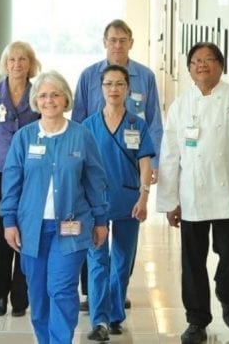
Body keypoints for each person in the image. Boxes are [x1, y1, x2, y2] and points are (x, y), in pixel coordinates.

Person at [156, 42, 229, 344]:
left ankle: (227, 293)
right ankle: (196, 321)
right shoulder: (181, 105)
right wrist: (170, 200)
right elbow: (169, 155)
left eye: (208, 60)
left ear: (220, 65)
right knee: (192, 263)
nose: (202, 65)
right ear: (190, 67)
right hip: (192, 196)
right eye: (196, 61)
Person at [0, 70, 109, 344]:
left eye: (55, 94)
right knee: (38, 293)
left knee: (61, 290)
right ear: (36, 100)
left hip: (72, 228)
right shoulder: (24, 138)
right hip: (32, 229)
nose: (49, 100)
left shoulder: (81, 136)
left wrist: (100, 220)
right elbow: (11, 183)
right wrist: (8, 220)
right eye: (44, 95)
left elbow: (96, 180)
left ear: (66, 99)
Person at [72, 19, 163, 311]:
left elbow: (155, 123)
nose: (117, 45)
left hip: (128, 177)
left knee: (123, 252)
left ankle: (115, 298)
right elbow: (78, 122)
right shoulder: (89, 76)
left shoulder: (145, 77)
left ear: (131, 43)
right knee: (96, 249)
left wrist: (154, 164)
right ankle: (96, 299)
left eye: (123, 40)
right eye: (112, 40)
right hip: (95, 177)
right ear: (104, 42)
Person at [82, 65, 154, 341]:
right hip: (96, 204)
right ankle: (99, 320)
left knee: (122, 261)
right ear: (101, 89)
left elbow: (145, 164)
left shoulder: (137, 124)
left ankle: (114, 315)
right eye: (109, 84)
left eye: (119, 84)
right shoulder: (88, 126)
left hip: (128, 200)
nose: (114, 89)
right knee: (97, 260)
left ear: (127, 88)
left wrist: (144, 196)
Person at [0, 41, 41, 318]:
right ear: (5, 64)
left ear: (31, 64)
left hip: (31, 172)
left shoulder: (39, 92)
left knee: (27, 233)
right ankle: (0, 293)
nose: (17, 64)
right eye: (12, 59)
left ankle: (20, 294)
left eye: (23, 59)